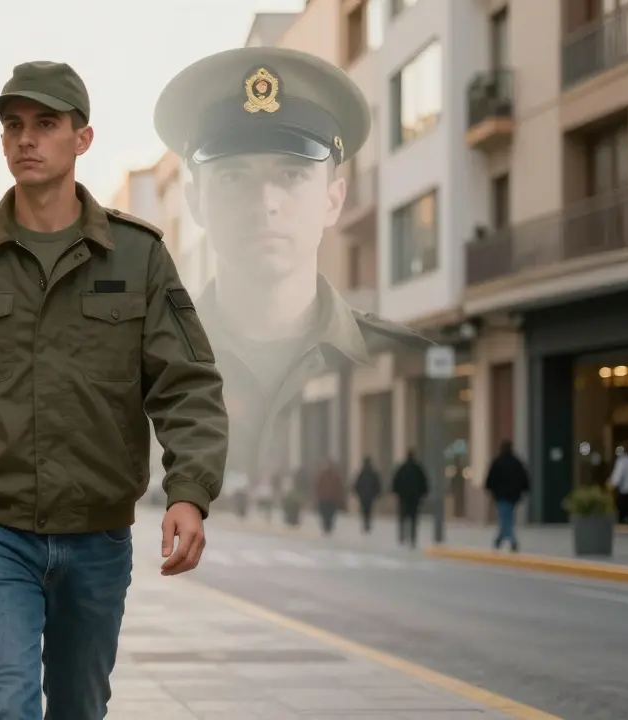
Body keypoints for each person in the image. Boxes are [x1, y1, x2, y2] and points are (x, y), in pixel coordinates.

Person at [0, 60, 229, 719]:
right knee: (7, 707)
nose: (26, 139)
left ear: (82, 138)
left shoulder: (137, 256)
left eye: (45, 124)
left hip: (98, 536)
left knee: (77, 709)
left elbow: (187, 384)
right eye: (13, 126)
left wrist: (190, 490)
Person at [152, 47, 432, 491]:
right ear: (196, 203)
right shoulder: (145, 362)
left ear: (333, 200)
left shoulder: (408, 354)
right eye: (233, 177)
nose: (266, 202)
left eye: (293, 174)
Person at [483, 439, 530, 551]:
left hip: (501, 495)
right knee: (507, 517)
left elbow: (490, 479)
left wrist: (490, 490)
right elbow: (524, 478)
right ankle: (499, 539)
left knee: (504, 517)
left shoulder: (497, 462)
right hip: (513, 496)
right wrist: (524, 490)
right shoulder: (516, 462)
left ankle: (511, 540)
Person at [391, 450, 429, 548]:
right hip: (414, 498)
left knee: (402, 518)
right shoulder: (417, 468)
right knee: (413, 519)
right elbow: (423, 482)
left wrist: (396, 492)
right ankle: (412, 537)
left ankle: (402, 536)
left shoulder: (402, 468)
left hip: (403, 498)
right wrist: (423, 494)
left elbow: (396, 482)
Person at [608, 443, 628, 525]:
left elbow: (618, 474)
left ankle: (624, 521)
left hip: (625, 489)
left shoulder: (622, 461)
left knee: (623, 506)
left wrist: (612, 483)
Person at [314, 459, 344, 536]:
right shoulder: (323, 475)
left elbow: (339, 487)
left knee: (330, 514)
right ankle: (327, 526)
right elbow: (318, 487)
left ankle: (328, 526)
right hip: (325, 498)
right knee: (325, 514)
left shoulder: (334, 476)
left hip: (331, 499)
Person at [353, 457, 382, 534]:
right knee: (369, 510)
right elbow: (377, 484)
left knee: (364, 510)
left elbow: (356, 485)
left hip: (364, 496)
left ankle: (366, 523)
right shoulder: (372, 473)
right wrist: (377, 493)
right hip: (370, 496)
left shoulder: (362, 473)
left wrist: (359, 493)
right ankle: (367, 523)